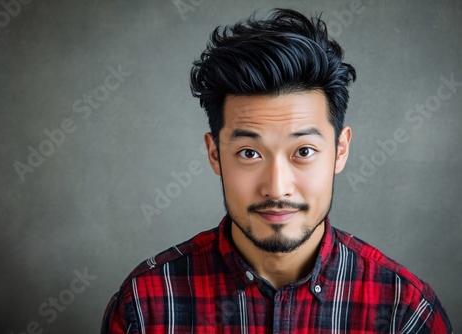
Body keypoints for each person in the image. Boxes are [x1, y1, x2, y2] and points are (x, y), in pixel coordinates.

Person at [101, 8, 452, 333]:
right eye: (250, 153)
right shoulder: (146, 306)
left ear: (340, 151)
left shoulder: (405, 312)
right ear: (214, 154)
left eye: (304, 151)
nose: (277, 187)